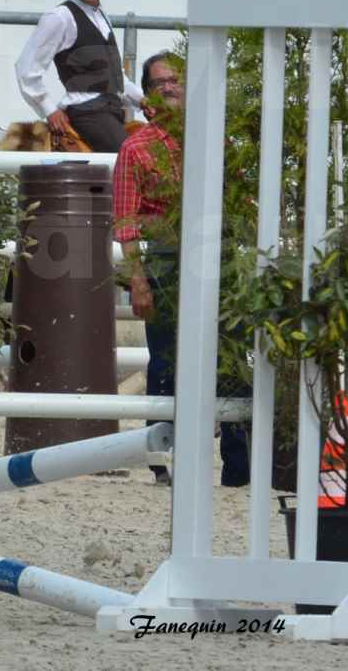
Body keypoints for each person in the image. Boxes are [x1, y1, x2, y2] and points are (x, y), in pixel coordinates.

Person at [112, 52, 249, 487]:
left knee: (231, 358)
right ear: (148, 96)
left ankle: (237, 466)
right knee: (166, 360)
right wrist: (138, 280)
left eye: (177, 80)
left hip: (222, 255)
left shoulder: (217, 142)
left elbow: (241, 199)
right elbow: (126, 223)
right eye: (160, 83)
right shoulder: (135, 148)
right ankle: (160, 458)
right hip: (167, 259)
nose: (170, 88)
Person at [14, 0, 145, 153]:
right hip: (87, 114)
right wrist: (48, 109)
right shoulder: (59, 17)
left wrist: (142, 100)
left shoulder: (102, 16)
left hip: (112, 112)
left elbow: (116, 76)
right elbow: (26, 67)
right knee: (133, 156)